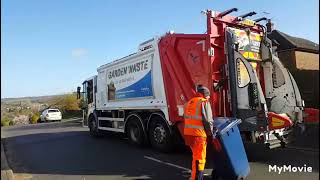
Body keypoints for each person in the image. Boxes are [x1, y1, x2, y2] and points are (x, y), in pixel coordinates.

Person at [184, 85, 215, 180]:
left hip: (188, 134)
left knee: (195, 157)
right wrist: (210, 134)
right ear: (204, 95)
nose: (208, 98)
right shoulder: (204, 102)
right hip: (199, 135)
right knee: (200, 159)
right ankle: (197, 178)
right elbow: (208, 120)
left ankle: (193, 177)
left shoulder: (189, 103)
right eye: (208, 96)